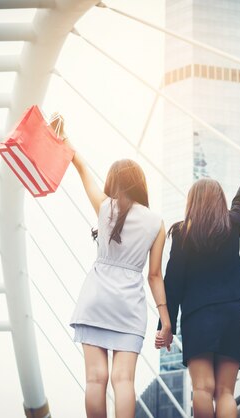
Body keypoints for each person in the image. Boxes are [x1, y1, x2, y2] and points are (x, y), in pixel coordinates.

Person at [155, 158, 240, 418]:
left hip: (199, 317)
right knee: (226, 392)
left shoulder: (182, 234)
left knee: (202, 389)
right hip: (233, 314)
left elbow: (173, 283)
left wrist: (165, 326)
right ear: (220, 201)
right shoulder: (231, 224)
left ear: (191, 203)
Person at [68, 146, 173, 418]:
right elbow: (154, 275)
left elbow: (82, 169)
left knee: (95, 379)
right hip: (129, 305)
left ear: (113, 181)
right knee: (123, 380)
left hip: (96, 298)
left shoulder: (104, 208)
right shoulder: (156, 222)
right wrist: (166, 319)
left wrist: (65, 140)